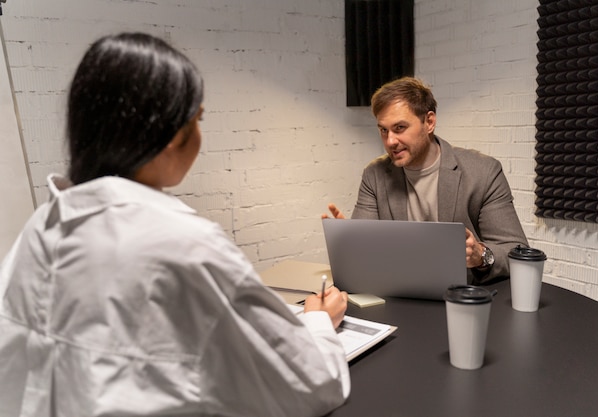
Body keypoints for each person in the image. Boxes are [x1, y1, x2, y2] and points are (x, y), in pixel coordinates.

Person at [0, 32, 349, 417]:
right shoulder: (183, 244)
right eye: (196, 120)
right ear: (167, 133)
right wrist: (319, 321)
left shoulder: (37, 231)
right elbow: (312, 383)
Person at [324, 77, 528, 285]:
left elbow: (516, 252)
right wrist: (351, 244)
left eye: (400, 128)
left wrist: (481, 255)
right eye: (383, 130)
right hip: (400, 296)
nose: (390, 141)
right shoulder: (374, 175)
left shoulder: (483, 171)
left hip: (461, 299)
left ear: (429, 122)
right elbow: (367, 256)